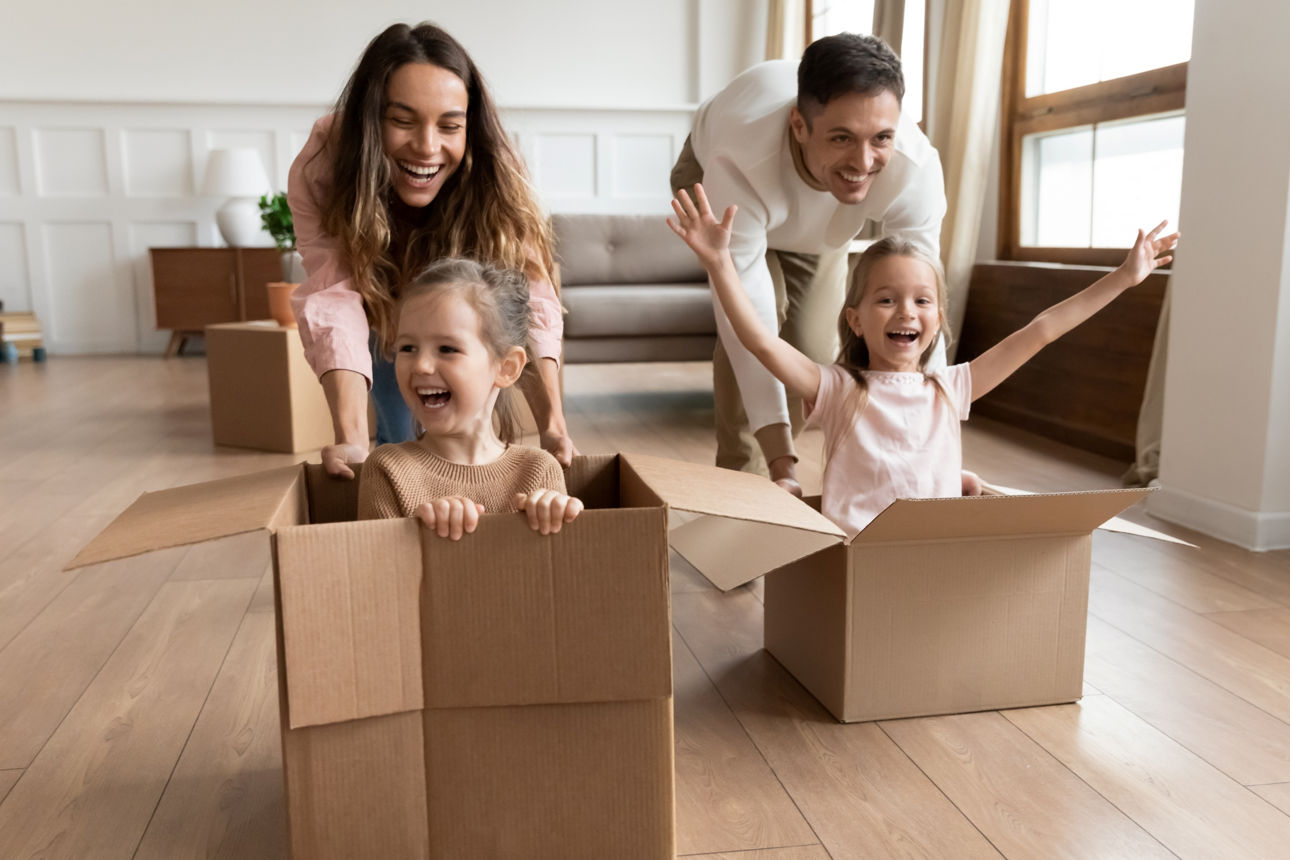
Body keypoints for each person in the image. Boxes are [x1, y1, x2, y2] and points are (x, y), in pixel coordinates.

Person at [669, 184, 1178, 538]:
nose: (905, 311)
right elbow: (760, 341)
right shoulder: (838, 388)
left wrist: (1124, 278)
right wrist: (719, 263)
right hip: (857, 552)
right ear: (856, 319)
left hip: (932, 548)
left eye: (921, 300)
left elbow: (1042, 330)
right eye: (886, 299)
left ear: (937, 319)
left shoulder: (950, 386)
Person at [288, 22, 575, 479]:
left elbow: (528, 295)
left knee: (465, 441)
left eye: (449, 126)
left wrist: (553, 423)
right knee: (395, 449)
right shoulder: (326, 161)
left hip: (464, 313)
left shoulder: (496, 164)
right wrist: (351, 436)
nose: (426, 147)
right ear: (369, 118)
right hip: (380, 310)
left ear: (468, 126)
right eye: (401, 121)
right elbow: (332, 295)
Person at [671, 32, 946, 496]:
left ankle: (776, 477)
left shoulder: (913, 170)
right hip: (725, 184)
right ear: (799, 125)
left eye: (881, 138)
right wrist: (782, 462)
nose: (863, 161)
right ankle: (747, 491)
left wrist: (931, 433)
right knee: (762, 317)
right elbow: (750, 333)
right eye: (842, 137)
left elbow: (924, 310)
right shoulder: (738, 158)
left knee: (814, 352)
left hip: (819, 221)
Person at [357, 258, 582, 540]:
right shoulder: (387, 469)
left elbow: (561, 574)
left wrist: (559, 523)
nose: (421, 366)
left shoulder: (539, 470)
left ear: (507, 367)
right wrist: (420, 535)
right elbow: (373, 575)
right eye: (408, 347)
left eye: (447, 348)